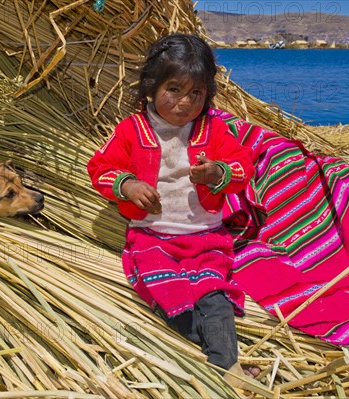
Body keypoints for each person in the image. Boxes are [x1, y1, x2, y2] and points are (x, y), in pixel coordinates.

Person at [87, 33, 259, 382]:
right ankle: (210, 349)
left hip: (207, 237)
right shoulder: (132, 130)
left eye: (196, 93)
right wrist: (129, 185)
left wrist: (218, 173)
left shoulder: (214, 129)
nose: (185, 102)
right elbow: (100, 169)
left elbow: (243, 167)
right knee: (168, 294)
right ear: (151, 87)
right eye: (175, 89)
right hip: (151, 238)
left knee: (214, 296)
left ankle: (228, 367)